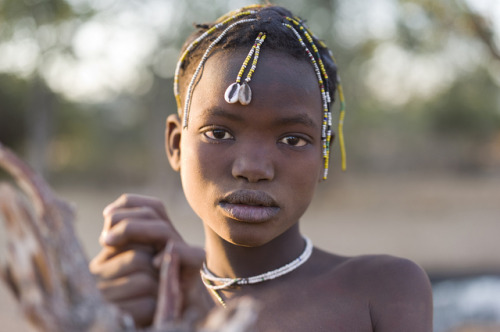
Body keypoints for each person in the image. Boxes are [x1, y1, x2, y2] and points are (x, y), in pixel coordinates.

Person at [90, 4, 433, 331]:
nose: (252, 168)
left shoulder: (382, 290)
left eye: (292, 140)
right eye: (219, 133)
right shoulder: (131, 300)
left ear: (323, 154)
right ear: (176, 144)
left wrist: (201, 318)